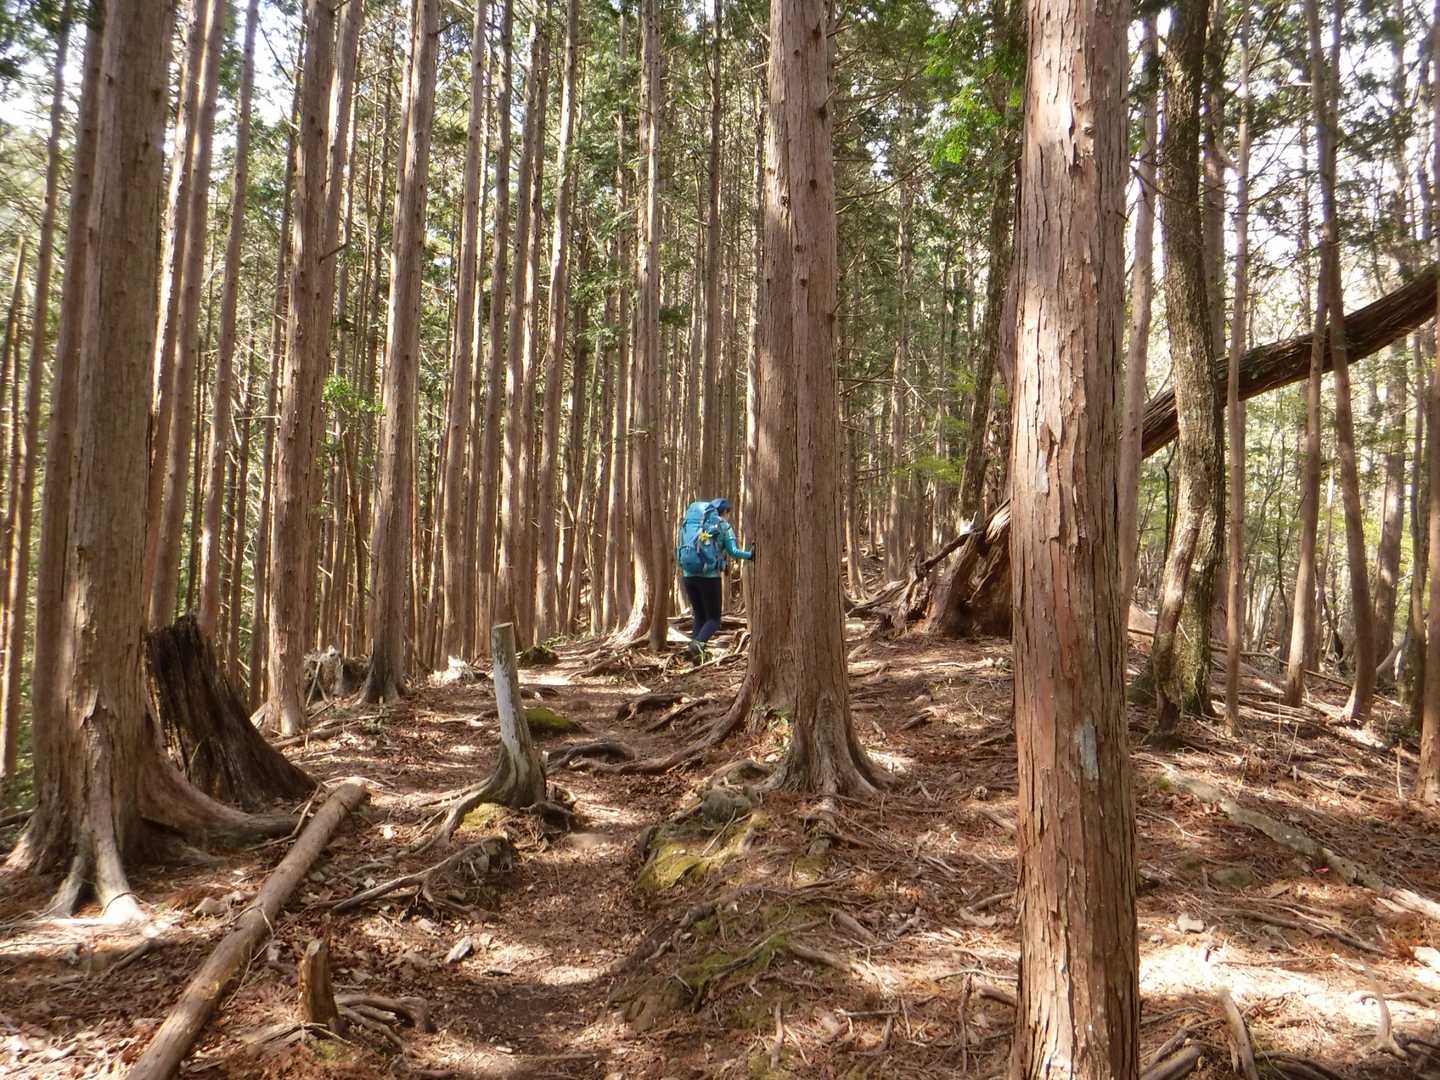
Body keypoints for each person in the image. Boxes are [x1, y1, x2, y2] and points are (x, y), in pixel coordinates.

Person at [678, 497, 753, 659]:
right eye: (728, 512)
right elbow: (733, 552)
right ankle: (696, 646)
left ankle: (694, 655)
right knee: (713, 619)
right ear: (724, 512)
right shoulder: (723, 526)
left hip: (688, 575)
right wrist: (750, 555)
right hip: (709, 578)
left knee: (699, 616)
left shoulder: (691, 525)